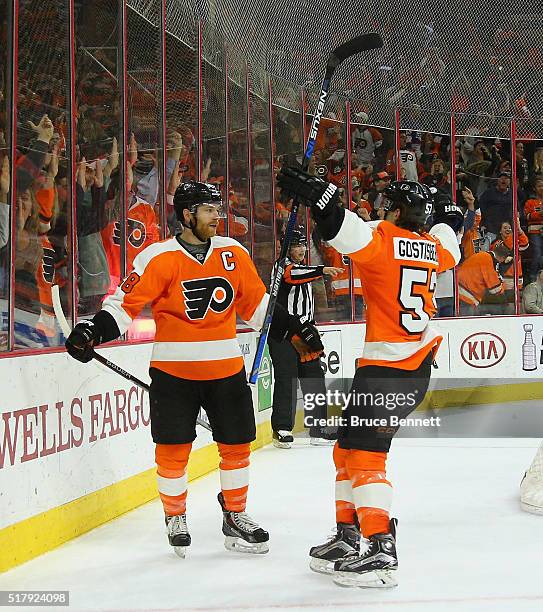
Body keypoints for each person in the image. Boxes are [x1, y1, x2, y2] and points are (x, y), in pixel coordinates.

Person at [64, 181, 324, 558]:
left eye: (218, 209)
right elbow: (124, 305)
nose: (217, 216)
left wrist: (293, 327)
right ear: (186, 215)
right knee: (173, 447)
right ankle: (175, 516)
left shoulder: (232, 252)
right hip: (174, 373)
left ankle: (235, 514)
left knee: (236, 445)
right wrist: (93, 329)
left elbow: (256, 306)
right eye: (208, 209)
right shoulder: (159, 257)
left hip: (226, 369)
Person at [277, 168, 460, 588]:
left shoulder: (382, 240)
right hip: (406, 368)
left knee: (364, 456)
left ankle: (380, 548)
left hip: (388, 371)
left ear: (395, 211)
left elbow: (340, 227)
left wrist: (322, 199)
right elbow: (451, 233)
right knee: (346, 450)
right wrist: (451, 214)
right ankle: (347, 536)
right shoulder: (433, 248)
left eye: (385, 206)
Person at [268, 228, 343, 448]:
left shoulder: (305, 268)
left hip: (305, 330)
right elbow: (293, 276)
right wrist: (322, 269)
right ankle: (281, 429)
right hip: (284, 331)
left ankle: (318, 429)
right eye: (295, 246)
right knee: (286, 380)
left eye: (302, 245)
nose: (300, 249)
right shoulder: (281, 266)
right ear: (286, 248)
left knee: (314, 380)